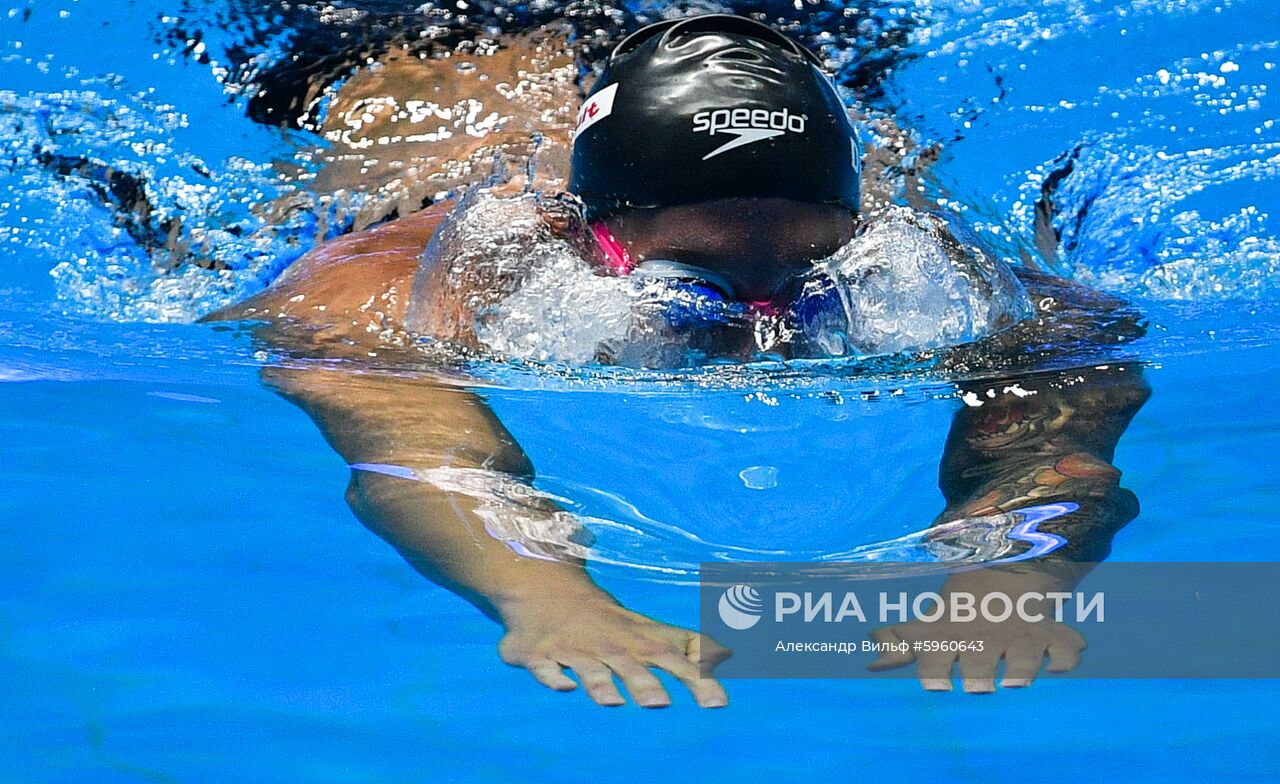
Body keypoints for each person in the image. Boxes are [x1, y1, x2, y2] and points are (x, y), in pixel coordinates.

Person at [205, 15, 1150, 706]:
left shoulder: (922, 256)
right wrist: (543, 594)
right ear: (584, 242)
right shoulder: (387, 282)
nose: (763, 336)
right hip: (434, 45)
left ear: (862, 231)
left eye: (817, 284)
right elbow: (404, 438)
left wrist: (1020, 567)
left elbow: (1072, 392)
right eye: (691, 293)